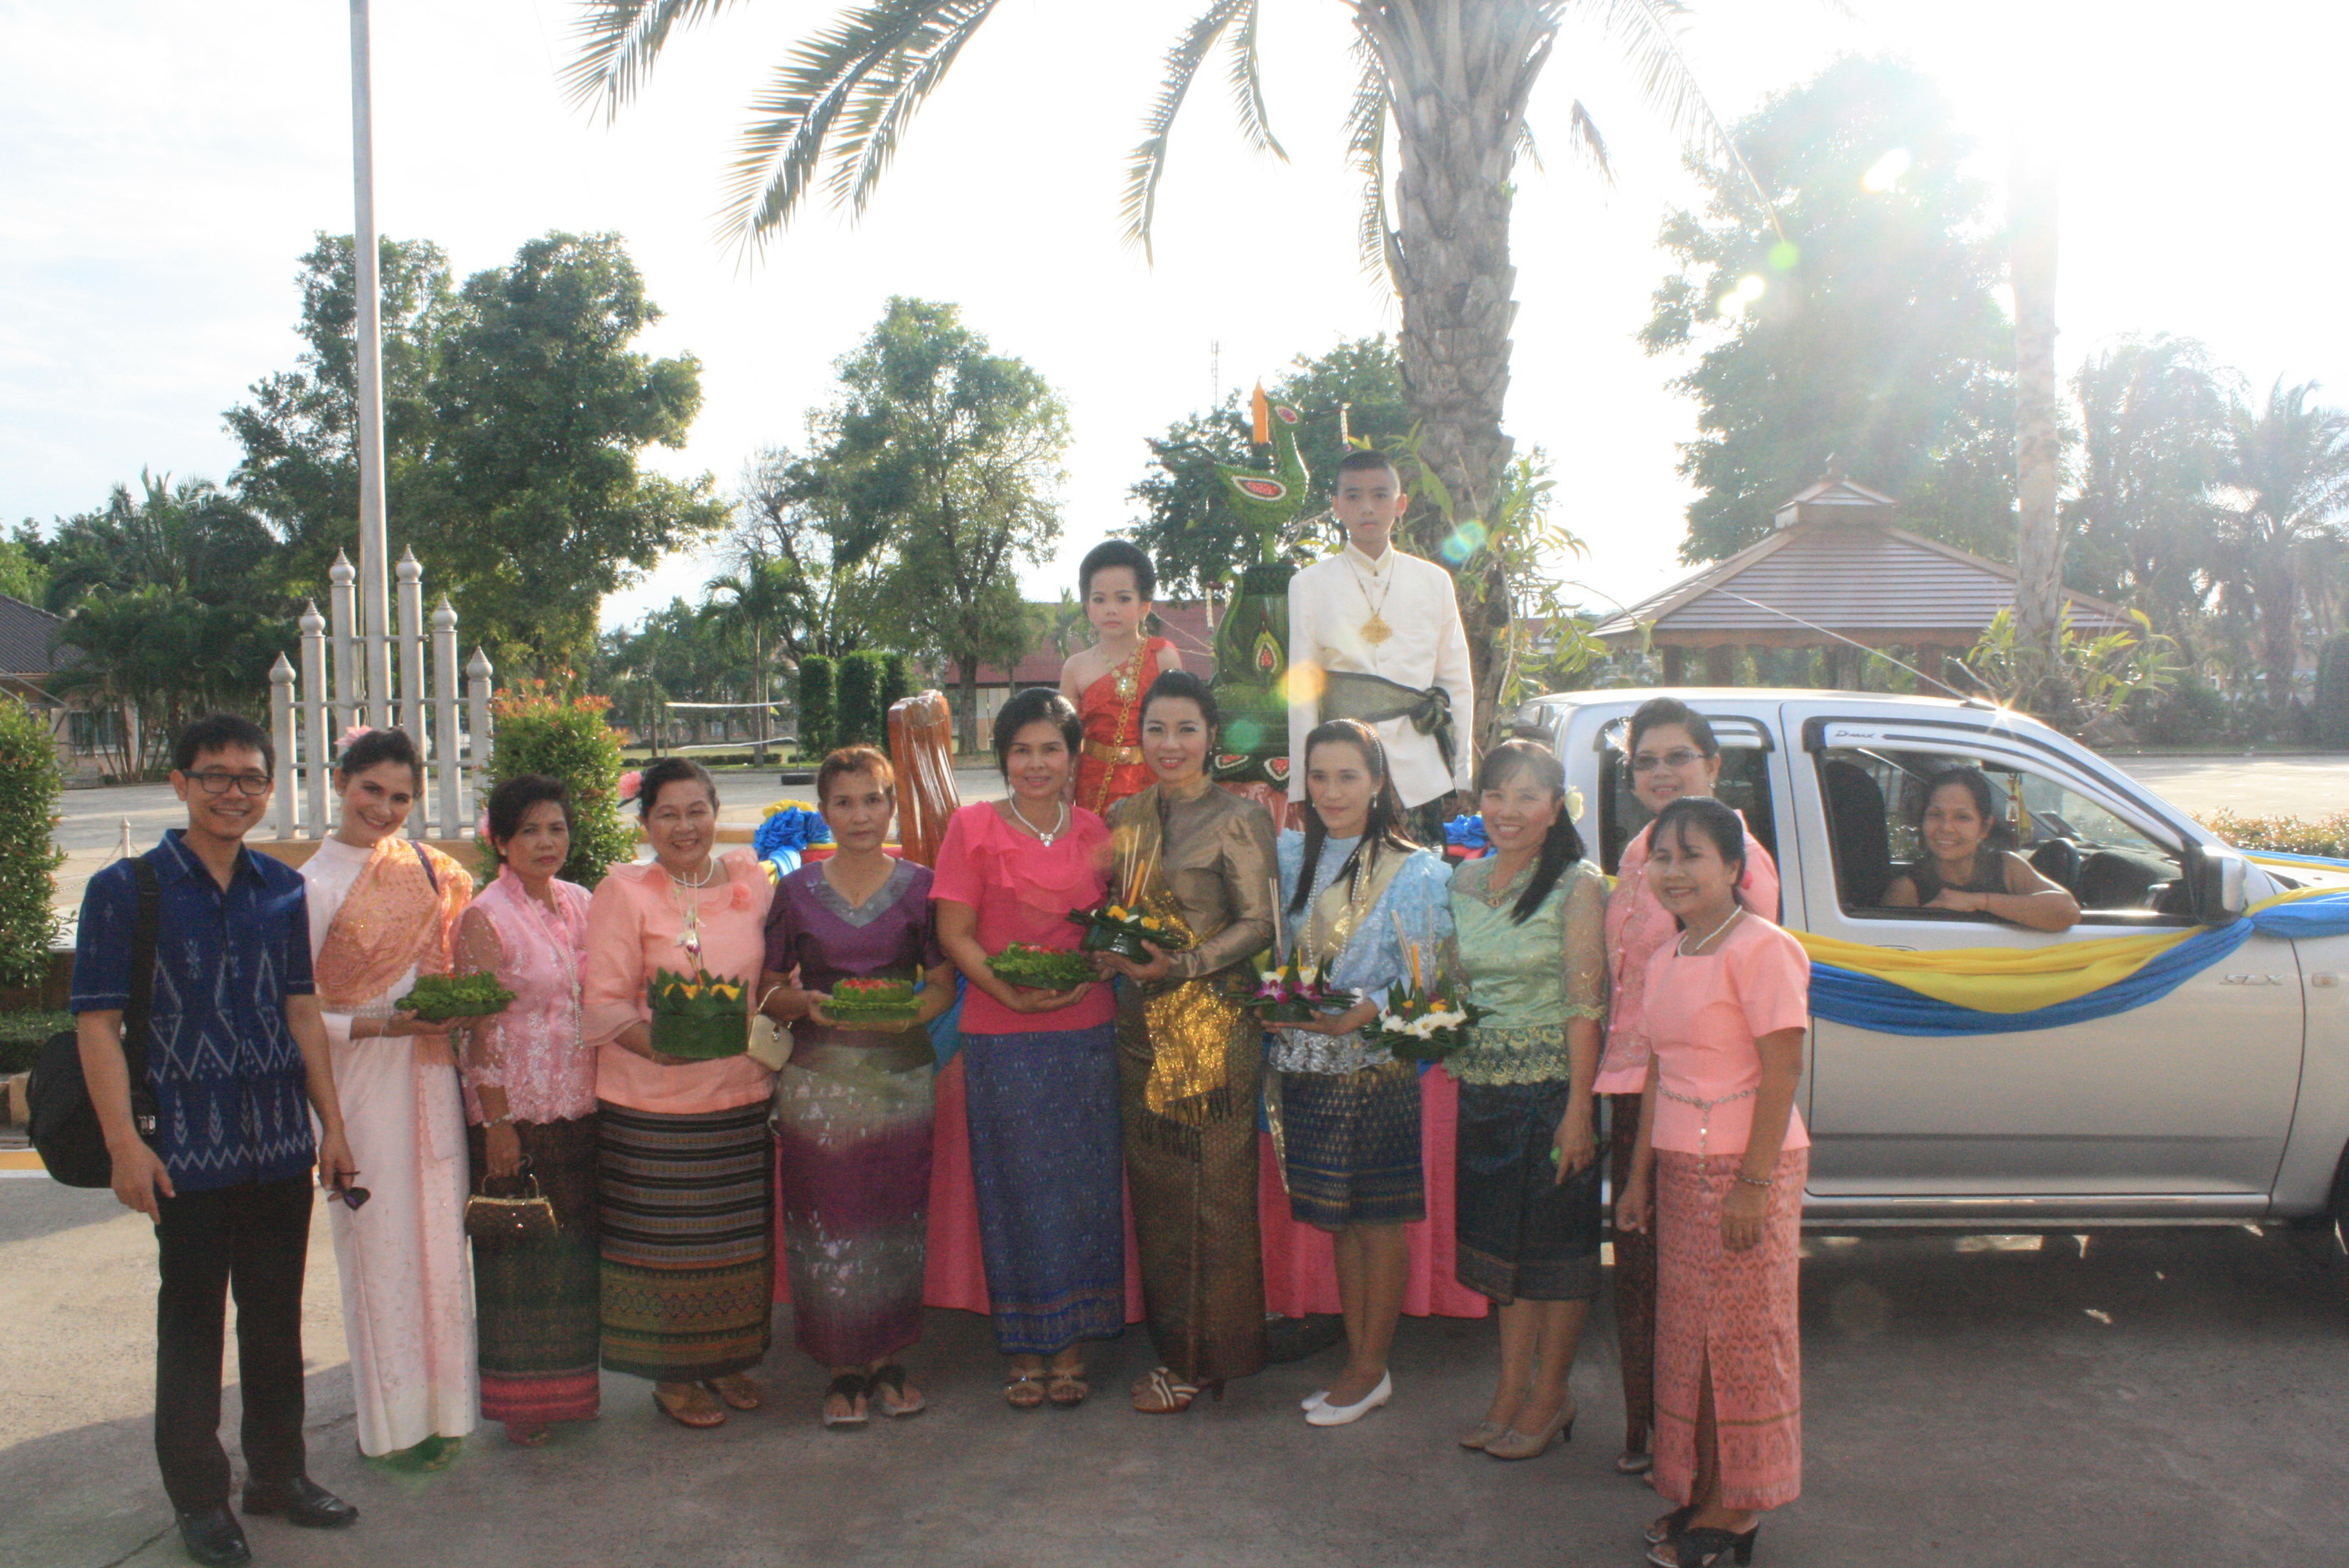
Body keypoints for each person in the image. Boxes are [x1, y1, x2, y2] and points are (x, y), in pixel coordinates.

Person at [72, 714, 360, 1568]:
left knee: (274, 1318)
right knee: (193, 1322)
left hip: (276, 1142)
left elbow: (301, 1009)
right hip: (183, 1149)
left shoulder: (282, 885)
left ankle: (279, 1474)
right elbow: (97, 1022)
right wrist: (126, 1143)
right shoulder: (127, 888)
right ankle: (201, 1498)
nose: (234, 791)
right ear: (179, 783)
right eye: (215, 775)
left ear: (270, 788)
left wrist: (332, 1125)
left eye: (250, 778)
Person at [1618, 797, 1811, 1568]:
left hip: (1749, 1168)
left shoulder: (1764, 949)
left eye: (1691, 855)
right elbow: (1658, 1070)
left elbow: (1784, 1069)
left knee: (1744, 1341)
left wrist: (1753, 1184)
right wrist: (1636, 1178)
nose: (1673, 872)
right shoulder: (1666, 958)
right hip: (1678, 1165)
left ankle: (1739, 1507)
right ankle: (1699, 1488)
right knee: (1688, 1339)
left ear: (1735, 868)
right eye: (1661, 857)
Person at [1598, 696, 1781, 1476]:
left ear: (1713, 765)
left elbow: (1743, 1011)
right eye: (1646, 760)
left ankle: (1713, 1460)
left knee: (1705, 1291)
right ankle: (1652, 1433)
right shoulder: (1643, 850)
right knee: (1646, 1278)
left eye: (1679, 756)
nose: (1662, 771)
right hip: (1634, 1091)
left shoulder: (1739, 858)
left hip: (1701, 1101)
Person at [930, 688, 1124, 1410]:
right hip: (1000, 1034)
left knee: (1082, 1193)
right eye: (1021, 750)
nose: (1035, 764)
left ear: (1074, 758)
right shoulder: (972, 827)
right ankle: (1022, 1347)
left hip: (1086, 1031)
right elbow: (955, 934)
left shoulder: (1095, 829)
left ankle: (1071, 1347)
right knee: (1014, 1191)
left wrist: (1102, 962)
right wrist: (1006, 994)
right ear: (1002, 756)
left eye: (1050, 749)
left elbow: (1110, 929)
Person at [1098, 670, 1278, 1414]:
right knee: (1163, 1198)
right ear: (1138, 736)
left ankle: (1212, 1359)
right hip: (1140, 1027)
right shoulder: (1123, 814)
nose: (1170, 745)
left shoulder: (1240, 817)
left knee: (1217, 1200)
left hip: (1212, 1024)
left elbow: (1260, 923)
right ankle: (1177, 1347)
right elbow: (1113, 909)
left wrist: (1188, 964)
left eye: (1187, 730)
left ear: (1212, 737)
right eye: (1157, 730)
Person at [762, 746, 957, 1427]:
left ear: (892, 805)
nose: (860, 814)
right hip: (817, 1083)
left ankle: (890, 1360)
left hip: (900, 1079)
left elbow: (940, 984)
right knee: (826, 1222)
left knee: (894, 1222)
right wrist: (804, 1006)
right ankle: (842, 1367)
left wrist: (910, 1011)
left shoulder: (921, 885)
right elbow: (765, 989)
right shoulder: (793, 891)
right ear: (823, 812)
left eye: (872, 799)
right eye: (843, 802)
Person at [299, 727, 477, 1470]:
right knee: (380, 1251)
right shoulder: (309, 884)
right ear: (342, 781)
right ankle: (393, 1425)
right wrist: (382, 1025)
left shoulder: (429, 869)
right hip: (360, 1086)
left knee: (440, 1244)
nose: (385, 807)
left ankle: (449, 1413)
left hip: (433, 1073)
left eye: (401, 796)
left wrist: (457, 1007)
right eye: (372, 789)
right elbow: (300, 1015)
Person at [581, 756, 776, 1430]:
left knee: (733, 1242)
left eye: (697, 811)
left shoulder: (752, 880)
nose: (685, 826)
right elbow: (602, 1001)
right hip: (652, 1105)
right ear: (646, 823)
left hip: (740, 1094)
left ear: (716, 814)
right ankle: (672, 1376)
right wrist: (655, 1046)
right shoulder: (624, 891)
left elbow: (777, 975)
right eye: (667, 813)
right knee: (665, 1249)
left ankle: (724, 1358)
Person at [1271, 719, 1452, 1428]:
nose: (1332, 791)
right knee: (1340, 1224)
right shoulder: (1289, 858)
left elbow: (1433, 985)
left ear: (1379, 782)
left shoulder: (1416, 870)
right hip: (1305, 1065)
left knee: (1377, 1223)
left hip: (1374, 1071)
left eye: (1349, 776)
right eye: (1319, 776)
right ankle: (1359, 1359)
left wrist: (1366, 1011)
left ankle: (1371, 1366)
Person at [1447, 739, 1607, 1461]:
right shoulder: (1461, 884)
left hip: (1552, 1091)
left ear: (1554, 809)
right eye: (1495, 794)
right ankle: (1510, 1389)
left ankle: (1552, 1393)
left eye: (1525, 796)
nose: (1507, 811)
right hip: (1483, 1090)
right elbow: (1450, 988)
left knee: (1558, 1254)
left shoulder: (1577, 883)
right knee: (1502, 1256)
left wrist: (1579, 1109)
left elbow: (1585, 1004)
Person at [453, 774, 599, 1448]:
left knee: (570, 1255)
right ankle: (523, 1403)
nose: (547, 842)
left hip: (580, 1106)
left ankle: (571, 1390)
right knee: (519, 1258)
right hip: (518, 1113)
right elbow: (478, 1030)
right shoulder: (484, 916)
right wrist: (497, 1123)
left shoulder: (580, 902)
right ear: (502, 841)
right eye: (531, 831)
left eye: (557, 828)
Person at [1286, 449, 1475, 843]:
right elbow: (1302, 691)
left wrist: (1460, 773)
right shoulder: (1309, 584)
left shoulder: (1433, 580)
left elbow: (1455, 679)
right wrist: (1303, 784)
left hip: (1421, 769)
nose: (1367, 508)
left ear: (1400, 504)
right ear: (1336, 506)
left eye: (1380, 495)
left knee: (1421, 888)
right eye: (1353, 497)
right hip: (1342, 775)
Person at [1061, 539, 1183, 817]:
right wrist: (1064, 805)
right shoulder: (1075, 668)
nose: (1111, 609)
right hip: (1093, 786)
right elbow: (1067, 745)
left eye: (1124, 598)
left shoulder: (1164, 657)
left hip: (1152, 782)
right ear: (1087, 606)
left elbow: (1179, 730)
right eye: (1099, 599)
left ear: (1145, 605)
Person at [1884, 766, 2082, 930]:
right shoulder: (1907, 889)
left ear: (1984, 827)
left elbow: (2067, 911)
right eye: (1935, 815)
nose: (1945, 828)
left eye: (1962, 817)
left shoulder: (2007, 867)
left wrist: (1978, 901)